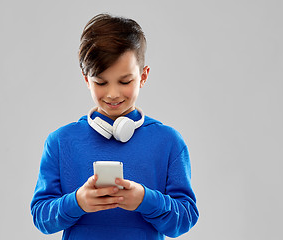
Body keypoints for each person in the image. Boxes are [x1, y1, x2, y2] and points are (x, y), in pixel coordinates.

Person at [30, 13, 199, 239]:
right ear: (85, 78)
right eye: (101, 82)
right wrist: (77, 202)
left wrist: (145, 200)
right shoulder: (60, 142)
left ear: (143, 76)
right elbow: (41, 218)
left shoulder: (168, 142)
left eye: (125, 81)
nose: (112, 94)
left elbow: (186, 218)